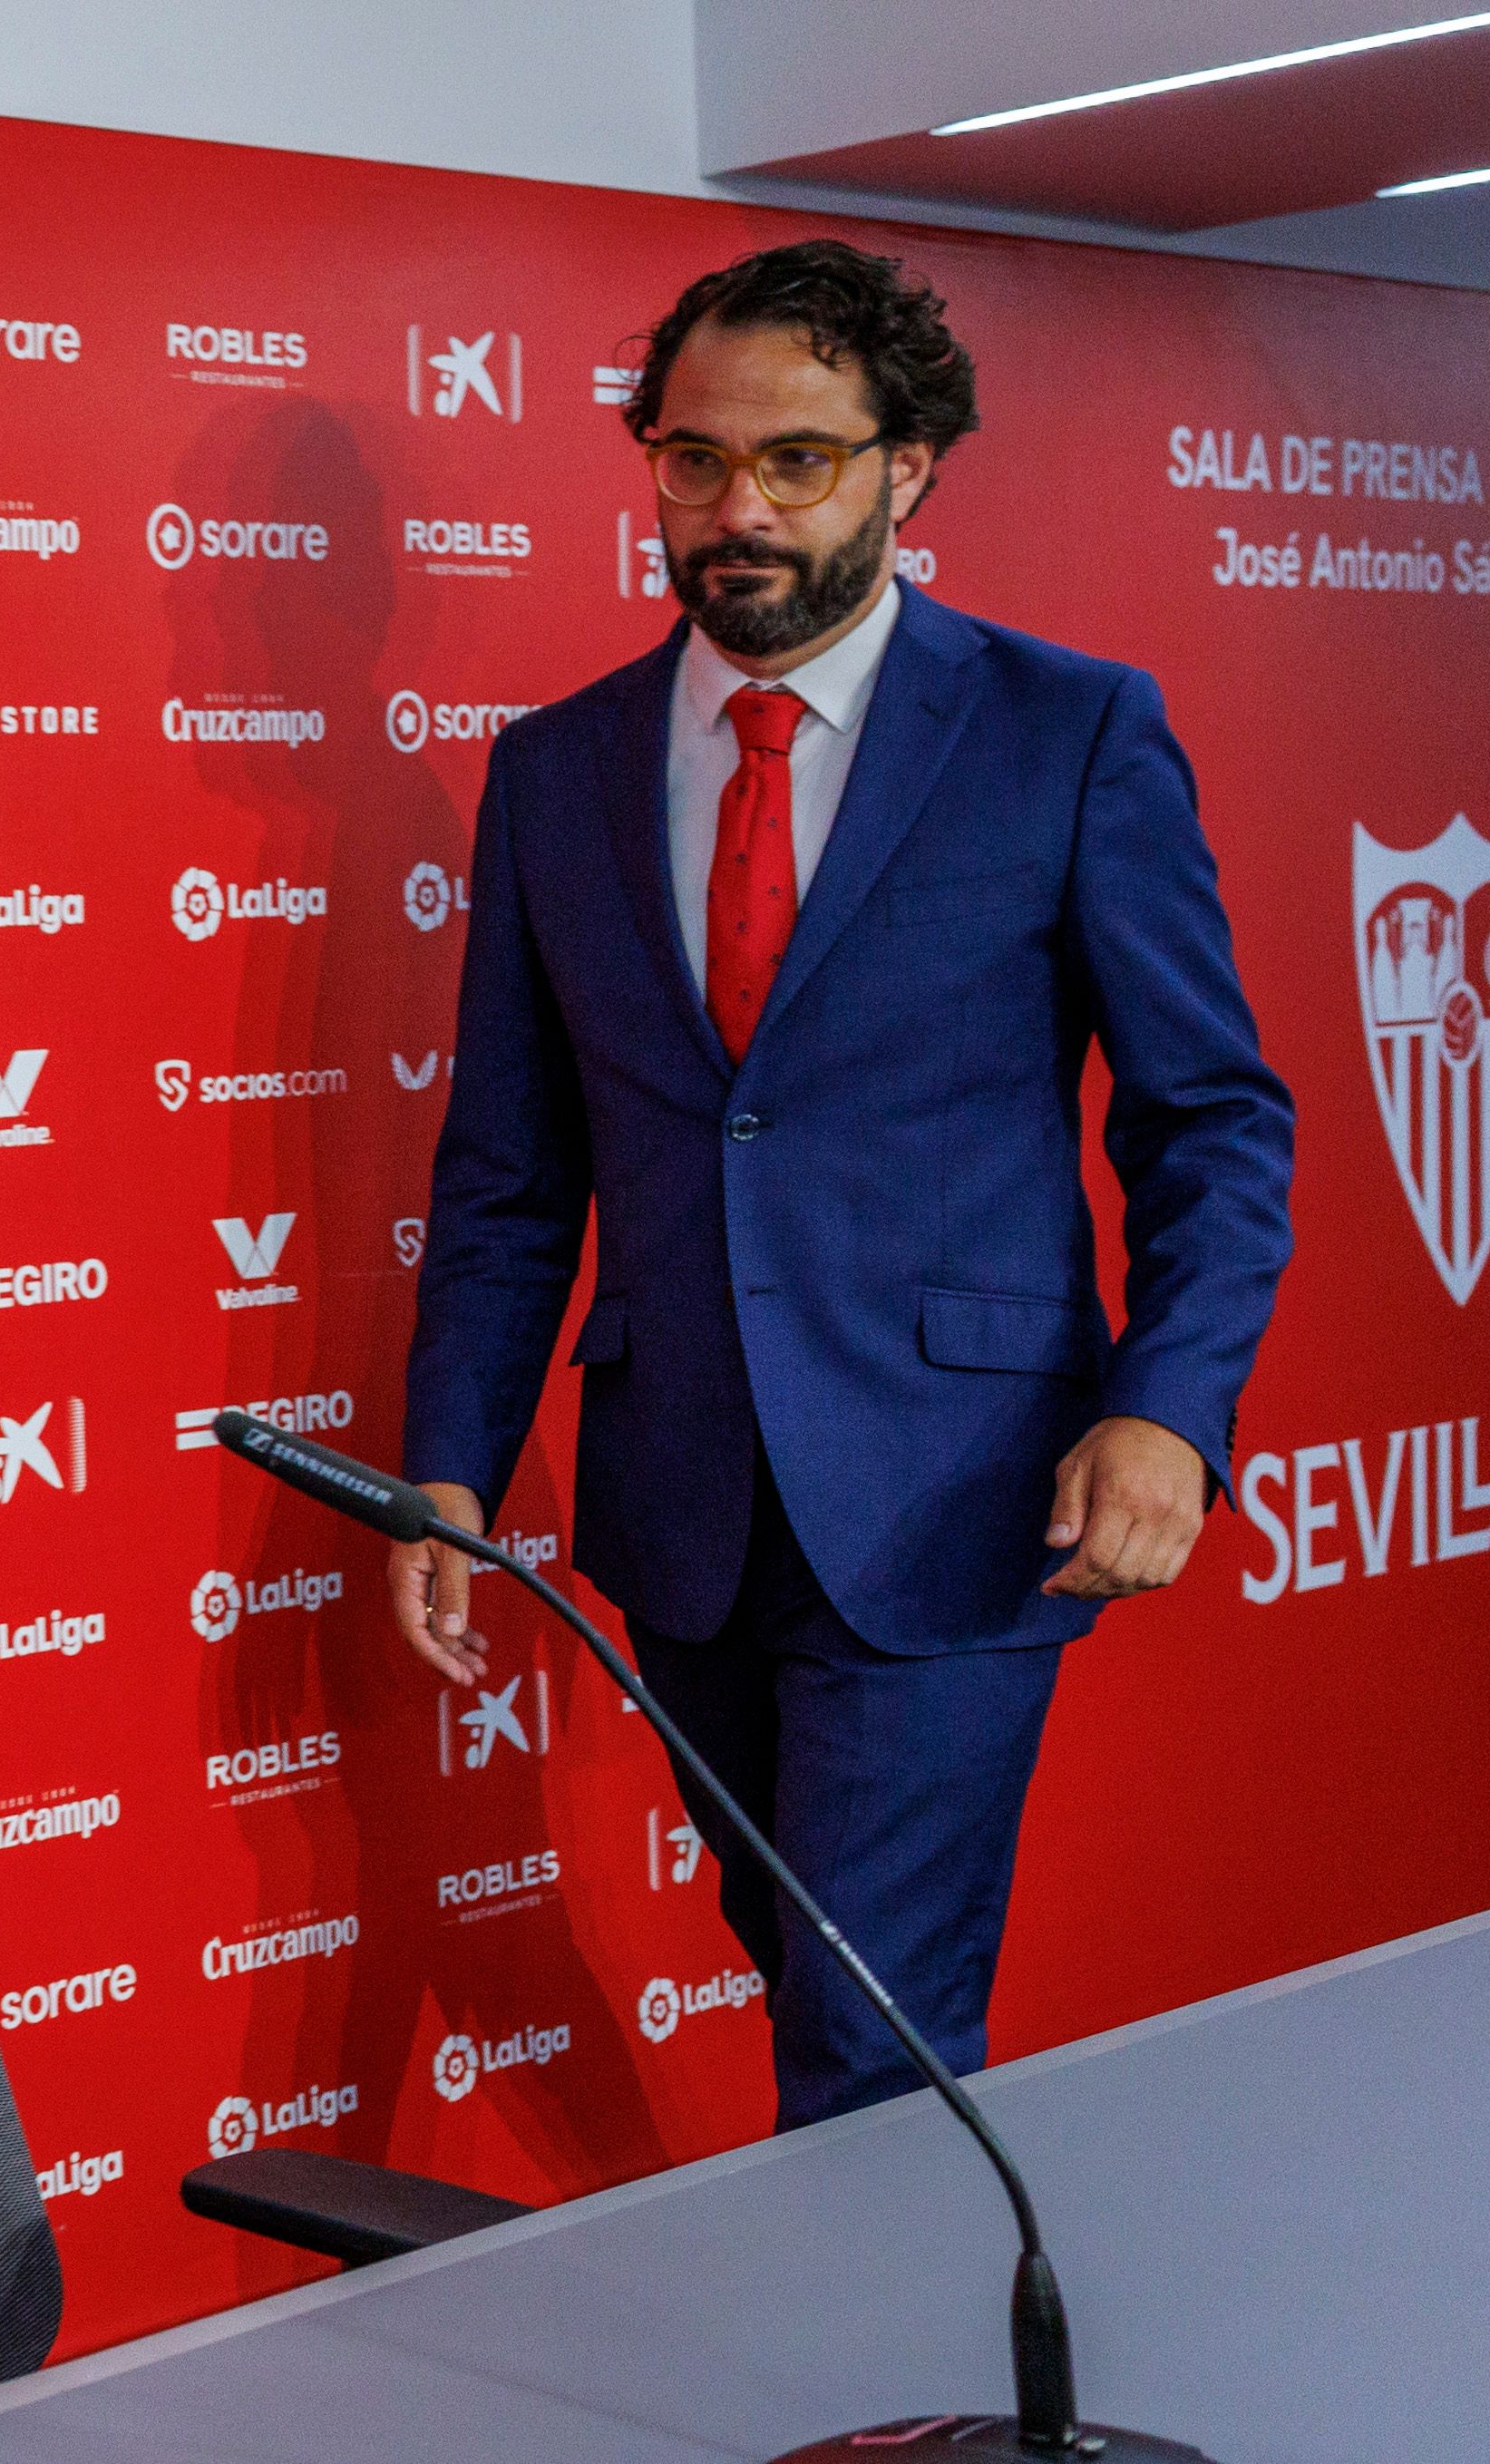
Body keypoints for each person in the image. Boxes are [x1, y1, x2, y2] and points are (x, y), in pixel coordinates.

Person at [391, 240, 1290, 2130]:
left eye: (796, 460)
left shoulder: (1067, 731)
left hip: (961, 1496)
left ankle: (903, 2420)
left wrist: (1169, 1414)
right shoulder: (551, 772)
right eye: (691, 459)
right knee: (801, 1976)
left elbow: (1208, 1120)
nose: (736, 510)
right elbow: (506, 1171)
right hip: (681, 1502)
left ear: (911, 466)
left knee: (868, 2042)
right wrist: (448, 1466)